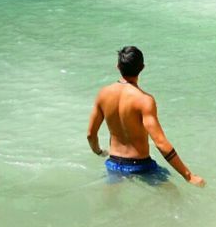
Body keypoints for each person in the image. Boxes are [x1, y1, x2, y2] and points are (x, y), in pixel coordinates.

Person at [86, 45, 206, 186]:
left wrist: (99, 152)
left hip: (113, 164)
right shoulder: (144, 100)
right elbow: (160, 143)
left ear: (118, 66)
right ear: (142, 67)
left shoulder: (103, 94)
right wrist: (189, 176)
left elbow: (90, 134)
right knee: (174, 196)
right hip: (141, 167)